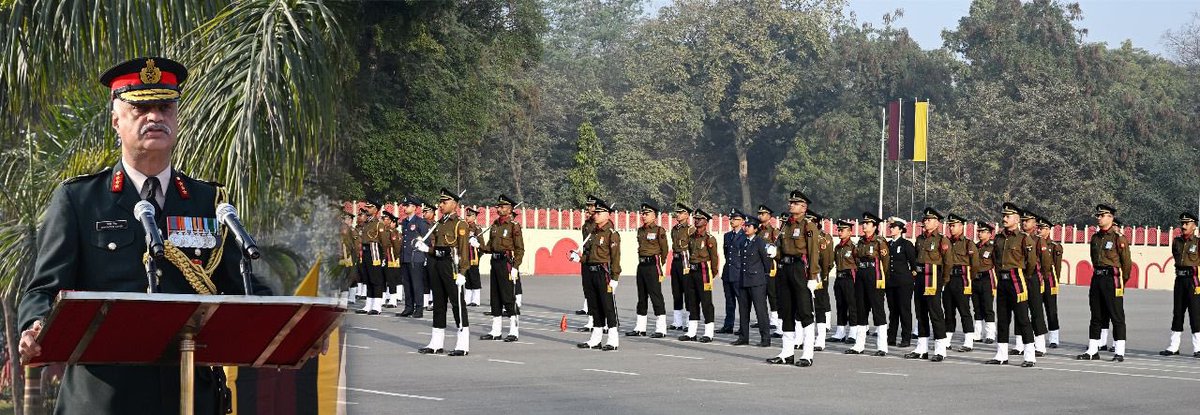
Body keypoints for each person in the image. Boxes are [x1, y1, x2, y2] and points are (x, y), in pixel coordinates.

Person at [17, 56, 271, 414]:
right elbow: (43, 289)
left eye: (165, 107)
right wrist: (35, 325)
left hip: (189, 397)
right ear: (115, 121)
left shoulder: (208, 202)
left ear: (177, 118)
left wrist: (297, 325)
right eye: (140, 107)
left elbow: (244, 286)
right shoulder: (80, 200)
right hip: (104, 400)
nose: (155, 117)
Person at [417, 189, 473, 357]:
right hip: (437, 265)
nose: (441, 205)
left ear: (454, 204)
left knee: (457, 304)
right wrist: (427, 249)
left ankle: (463, 344)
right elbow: (438, 248)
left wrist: (463, 272)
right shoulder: (440, 223)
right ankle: (436, 342)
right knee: (439, 305)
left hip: (452, 268)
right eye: (440, 202)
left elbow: (464, 251)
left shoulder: (460, 224)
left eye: (444, 202)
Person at [766, 191, 818, 367]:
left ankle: (807, 354)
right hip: (784, 268)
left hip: (799, 269)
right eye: (790, 202)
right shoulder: (785, 225)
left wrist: (812, 276)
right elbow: (781, 248)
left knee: (804, 311)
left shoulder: (808, 226)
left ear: (804, 207)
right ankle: (787, 352)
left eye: (795, 203)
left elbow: (813, 253)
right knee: (786, 311)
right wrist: (775, 254)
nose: (791, 205)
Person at [1077, 204, 1132, 362]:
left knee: (1116, 316)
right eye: (1098, 216)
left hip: (1112, 278)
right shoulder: (1095, 238)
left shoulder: (1118, 238)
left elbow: (1126, 263)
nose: (1099, 218)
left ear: (1111, 217)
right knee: (1096, 316)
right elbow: (1094, 259)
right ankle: (1093, 350)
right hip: (1097, 278)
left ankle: (1119, 351)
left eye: (1102, 215)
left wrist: (1122, 281)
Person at [985, 203, 1037, 367]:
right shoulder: (999, 238)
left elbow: (1031, 262)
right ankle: (1001, 354)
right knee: (1003, 318)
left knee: (1022, 318)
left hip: (1017, 280)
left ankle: (1029, 356)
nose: (1004, 219)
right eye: (1004, 216)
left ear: (1016, 219)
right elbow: (995, 259)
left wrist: (1024, 276)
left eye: (1008, 216)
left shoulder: (1023, 238)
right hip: (1003, 281)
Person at [574, 198, 622, 351]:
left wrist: (615, 278)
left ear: (607, 214)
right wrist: (579, 259)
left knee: (607, 306)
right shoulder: (594, 232)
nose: (596, 215)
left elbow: (615, 258)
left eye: (599, 213)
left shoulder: (611, 234)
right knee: (594, 306)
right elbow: (591, 255)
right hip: (591, 271)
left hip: (604, 273)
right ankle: (595, 339)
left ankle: (613, 340)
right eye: (595, 213)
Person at [480, 195, 525, 342]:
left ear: (510, 209)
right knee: (496, 297)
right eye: (498, 207)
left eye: (502, 206)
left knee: (508, 297)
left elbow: (520, 249)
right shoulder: (495, 225)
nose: (499, 209)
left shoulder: (514, 226)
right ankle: (496, 330)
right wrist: (477, 245)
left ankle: (514, 330)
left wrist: (516, 266)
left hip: (507, 263)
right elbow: (490, 247)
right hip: (495, 263)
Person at [906, 208, 949, 362]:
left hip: (933, 279)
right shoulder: (920, 239)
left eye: (929, 219)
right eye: (924, 219)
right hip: (920, 278)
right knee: (921, 312)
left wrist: (943, 282)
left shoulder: (942, 240)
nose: (925, 222)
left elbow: (947, 263)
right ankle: (921, 348)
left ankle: (940, 349)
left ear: (937, 222)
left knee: (935, 313)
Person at [847, 212, 889, 357]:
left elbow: (885, 262)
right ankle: (859, 345)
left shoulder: (879, 241)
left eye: (867, 223)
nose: (864, 225)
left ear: (874, 226)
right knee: (861, 309)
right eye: (863, 223)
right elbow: (856, 258)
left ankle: (882, 346)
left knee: (878, 310)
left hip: (874, 275)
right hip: (861, 275)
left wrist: (883, 281)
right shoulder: (860, 242)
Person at [626, 204, 670, 338]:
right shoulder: (640, 230)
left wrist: (659, 263)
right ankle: (640, 327)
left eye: (647, 214)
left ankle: (661, 329)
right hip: (642, 265)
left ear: (654, 216)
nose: (643, 216)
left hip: (653, 265)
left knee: (656, 296)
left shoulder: (659, 230)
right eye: (643, 214)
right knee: (641, 296)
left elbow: (664, 250)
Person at [1161, 212, 1200, 357]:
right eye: (1182, 223)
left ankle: (1198, 348)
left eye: (1187, 223)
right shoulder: (1176, 242)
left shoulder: (1198, 243)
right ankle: (1173, 346)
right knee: (1177, 313)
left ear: (1194, 225)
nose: (1183, 226)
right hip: (1180, 280)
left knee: (1195, 314)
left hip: (1193, 281)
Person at [679, 209, 720, 343]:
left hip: (704, 271)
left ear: (705, 222)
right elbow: (689, 253)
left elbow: (714, 258)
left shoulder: (709, 239)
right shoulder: (691, 237)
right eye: (695, 219)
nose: (696, 221)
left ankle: (708, 333)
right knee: (692, 301)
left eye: (699, 219)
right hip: (692, 270)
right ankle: (692, 332)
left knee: (706, 302)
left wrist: (712, 273)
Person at [734, 217, 772, 347]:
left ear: (755, 229)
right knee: (743, 311)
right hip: (744, 280)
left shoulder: (760, 242)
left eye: (749, 226)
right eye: (746, 226)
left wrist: (763, 275)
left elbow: (766, 261)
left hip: (757, 281)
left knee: (760, 311)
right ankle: (744, 337)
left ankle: (765, 339)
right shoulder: (743, 242)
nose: (746, 228)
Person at [1016, 210, 1049, 357]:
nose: (1024, 223)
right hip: (1018, 277)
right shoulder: (1017, 238)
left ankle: (1040, 345)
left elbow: (1045, 261)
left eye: (1027, 221)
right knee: (1019, 310)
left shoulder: (1038, 240)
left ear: (1034, 223)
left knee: (1036, 310)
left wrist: (1042, 276)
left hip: (1033, 277)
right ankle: (1020, 344)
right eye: (1022, 221)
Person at [943, 214, 976, 352]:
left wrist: (969, 279)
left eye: (954, 225)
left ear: (961, 226)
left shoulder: (968, 243)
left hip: (962, 279)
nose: (951, 228)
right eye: (950, 225)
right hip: (948, 279)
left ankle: (968, 341)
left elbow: (975, 265)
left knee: (964, 311)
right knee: (948, 311)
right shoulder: (946, 242)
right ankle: (947, 340)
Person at [885, 217, 917, 348]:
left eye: (894, 227)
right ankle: (891, 337)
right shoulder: (887, 244)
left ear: (900, 229)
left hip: (904, 282)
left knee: (904, 310)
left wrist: (910, 277)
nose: (891, 229)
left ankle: (906, 338)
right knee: (893, 311)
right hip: (890, 282)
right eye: (890, 227)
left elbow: (914, 264)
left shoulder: (906, 244)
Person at [397, 197, 430, 318]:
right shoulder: (405, 222)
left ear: (414, 207)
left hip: (416, 257)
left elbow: (427, 241)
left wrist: (424, 255)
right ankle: (408, 307)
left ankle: (419, 309)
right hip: (406, 257)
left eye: (407, 205)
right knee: (407, 284)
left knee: (417, 284)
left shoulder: (420, 222)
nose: (404, 207)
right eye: (404, 205)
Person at [355, 201, 387, 315]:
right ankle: (368, 305)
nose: (367, 209)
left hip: (374, 252)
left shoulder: (379, 224)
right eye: (367, 207)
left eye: (370, 207)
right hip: (365, 252)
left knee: (376, 279)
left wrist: (383, 258)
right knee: (367, 279)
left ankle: (377, 306)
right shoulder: (366, 223)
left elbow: (384, 243)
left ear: (376, 210)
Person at [809, 211, 835, 351]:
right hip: (803, 273)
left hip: (818, 274)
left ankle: (820, 338)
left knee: (820, 305)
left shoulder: (823, 238)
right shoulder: (804, 235)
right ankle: (803, 337)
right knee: (804, 306)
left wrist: (823, 276)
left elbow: (827, 261)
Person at [755, 205, 783, 335]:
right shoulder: (757, 230)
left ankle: (774, 320)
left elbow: (777, 248)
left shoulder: (773, 231)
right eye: (759, 213)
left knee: (772, 293)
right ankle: (763, 318)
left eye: (763, 213)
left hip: (770, 266)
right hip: (758, 266)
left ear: (769, 216)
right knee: (760, 294)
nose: (760, 215)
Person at [719, 210, 748, 334]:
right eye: (731, 219)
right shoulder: (727, 235)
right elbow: (727, 254)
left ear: (742, 221)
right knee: (729, 301)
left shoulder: (745, 236)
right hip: (728, 272)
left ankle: (743, 327)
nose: (732, 221)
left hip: (739, 273)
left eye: (735, 219)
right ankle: (728, 325)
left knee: (742, 302)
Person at [1036, 216, 1062, 349]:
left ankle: (1054, 338)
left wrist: (1054, 282)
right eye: (1038, 228)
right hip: (1036, 280)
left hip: (1049, 281)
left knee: (1051, 310)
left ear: (1048, 230)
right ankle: (1038, 337)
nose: (1039, 230)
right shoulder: (1033, 242)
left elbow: (1057, 267)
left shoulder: (1055, 246)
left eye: (1042, 228)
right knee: (1037, 310)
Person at [831, 220, 858, 344]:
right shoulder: (837, 247)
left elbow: (857, 265)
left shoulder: (853, 247)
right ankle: (840, 332)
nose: (840, 232)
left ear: (850, 232)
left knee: (852, 305)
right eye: (839, 230)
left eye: (843, 230)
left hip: (849, 279)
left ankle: (853, 332)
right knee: (840, 305)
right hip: (839, 278)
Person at [971, 222, 998, 344]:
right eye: (979, 231)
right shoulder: (975, 246)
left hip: (987, 278)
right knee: (977, 308)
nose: (979, 234)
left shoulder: (992, 247)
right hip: (975, 279)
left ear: (989, 233)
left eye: (982, 232)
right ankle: (977, 334)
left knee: (988, 307)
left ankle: (990, 334)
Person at [669, 204, 695, 331]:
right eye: (677, 212)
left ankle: (690, 321)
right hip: (676, 260)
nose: (678, 215)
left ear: (686, 215)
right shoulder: (674, 229)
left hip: (686, 261)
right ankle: (677, 321)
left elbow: (692, 247)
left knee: (688, 291)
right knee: (676, 291)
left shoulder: (690, 229)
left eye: (681, 212)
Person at [463, 207, 484, 307]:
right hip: (464, 256)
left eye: (469, 215)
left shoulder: (477, 228)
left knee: (474, 276)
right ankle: (467, 299)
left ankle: (476, 299)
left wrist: (477, 252)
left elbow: (482, 245)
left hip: (473, 256)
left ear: (474, 217)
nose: (467, 217)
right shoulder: (463, 227)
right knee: (466, 276)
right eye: (466, 215)